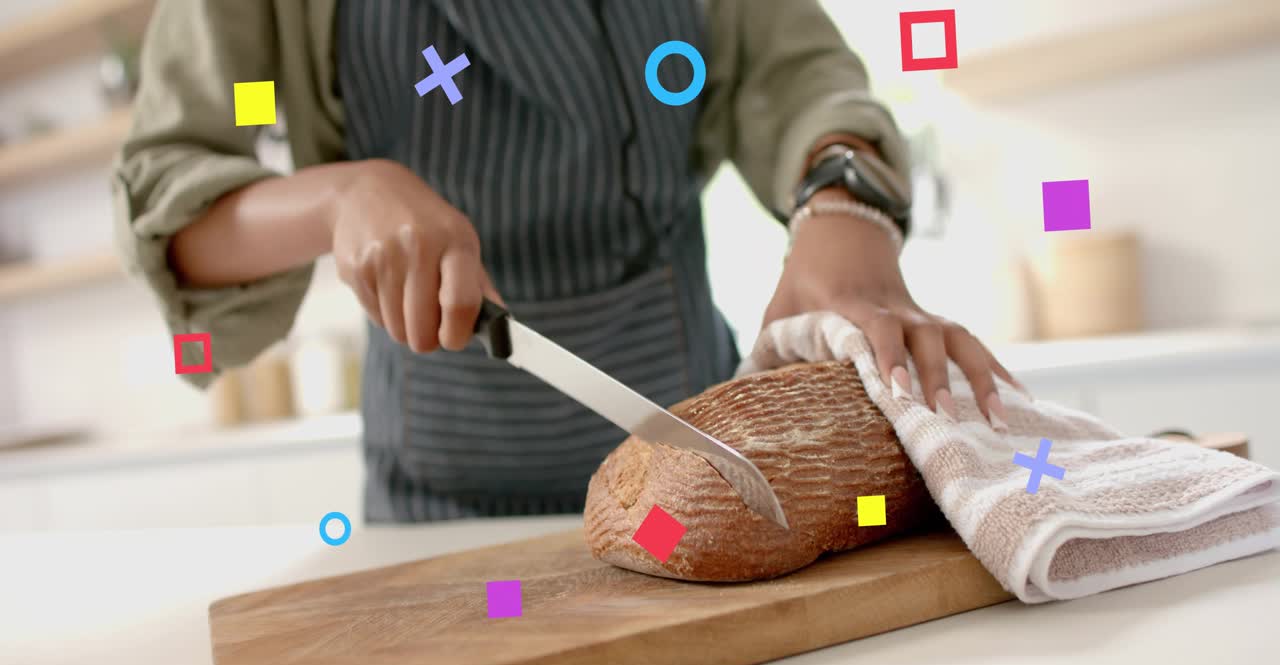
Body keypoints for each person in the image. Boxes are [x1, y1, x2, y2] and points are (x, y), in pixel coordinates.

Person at [114, 0, 1021, 523]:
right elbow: (173, 189)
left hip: (703, 469)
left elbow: (796, 75)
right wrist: (338, 196)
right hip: (435, 507)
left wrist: (843, 207)